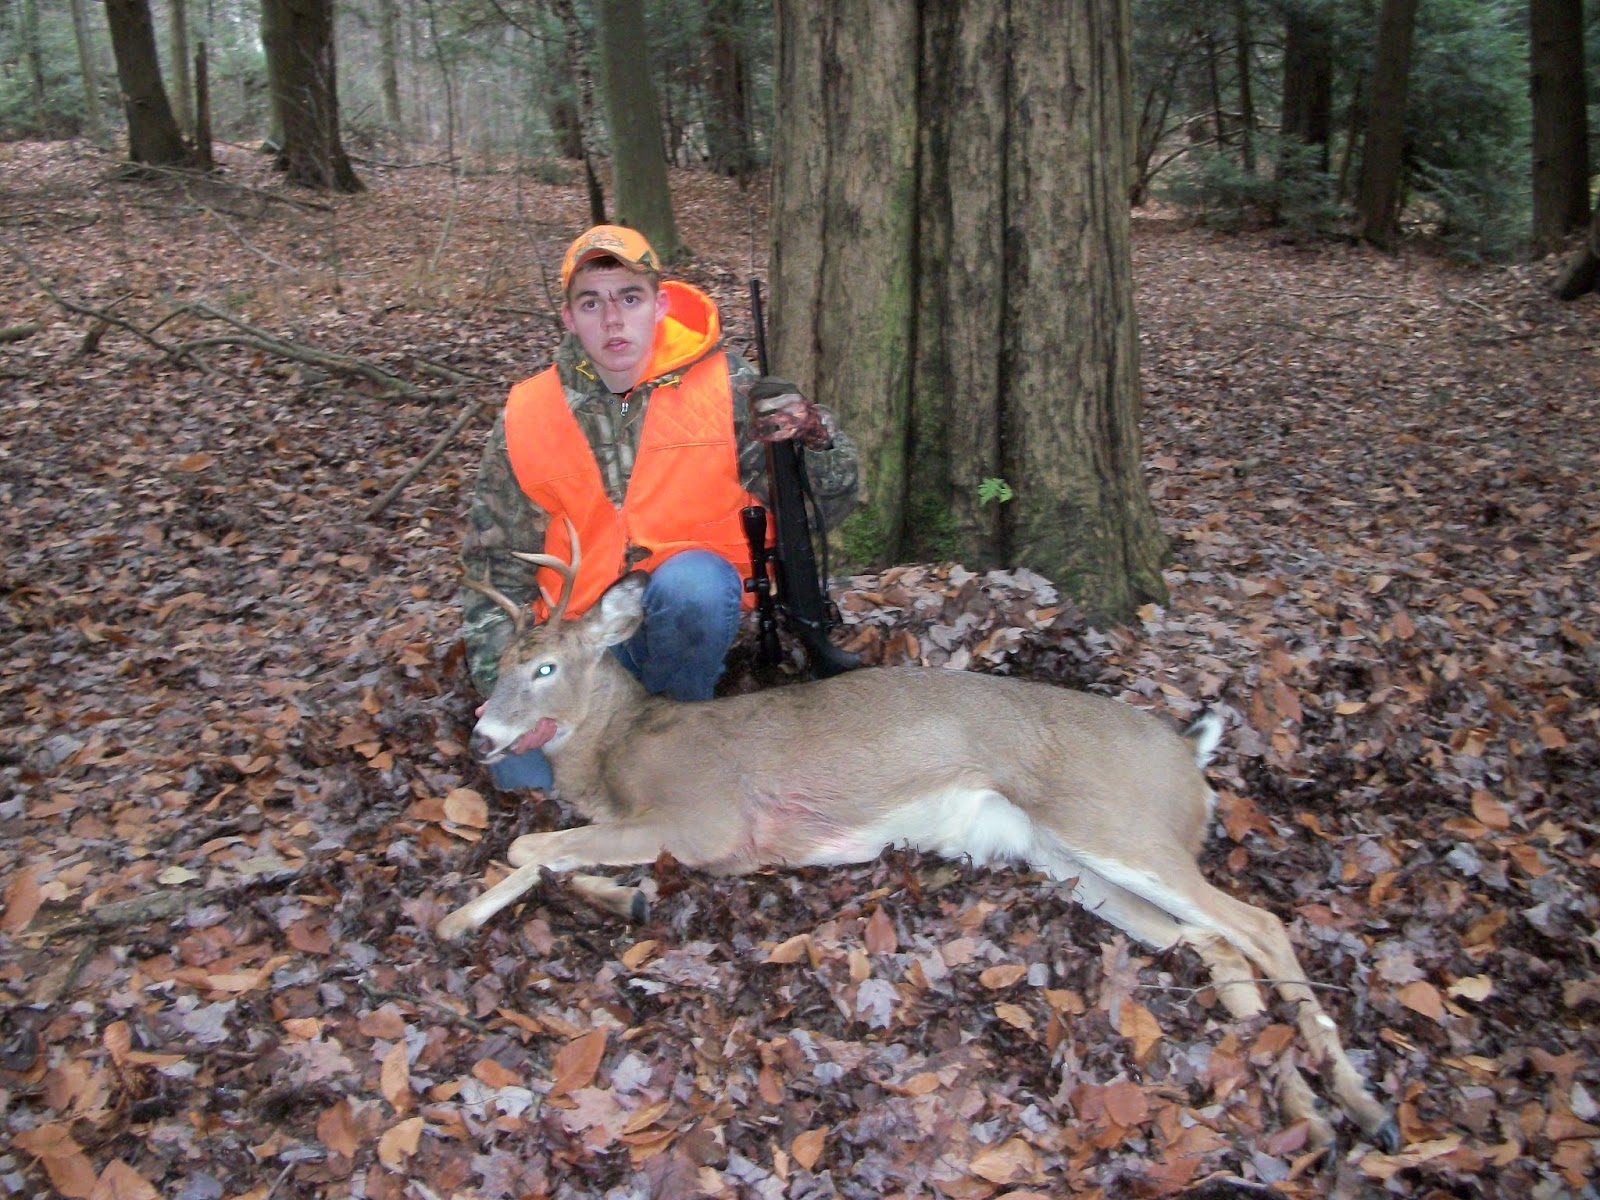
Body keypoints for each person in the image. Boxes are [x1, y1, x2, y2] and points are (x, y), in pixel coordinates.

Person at [460, 224, 860, 790]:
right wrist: (501, 687)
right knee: (523, 781)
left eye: (630, 298)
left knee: (694, 585)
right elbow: (490, 567)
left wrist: (814, 438)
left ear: (660, 303)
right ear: (569, 318)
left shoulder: (725, 385)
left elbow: (829, 504)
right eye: (591, 303)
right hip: (577, 652)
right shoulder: (528, 414)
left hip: (686, 617)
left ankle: (674, 736)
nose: (613, 320)